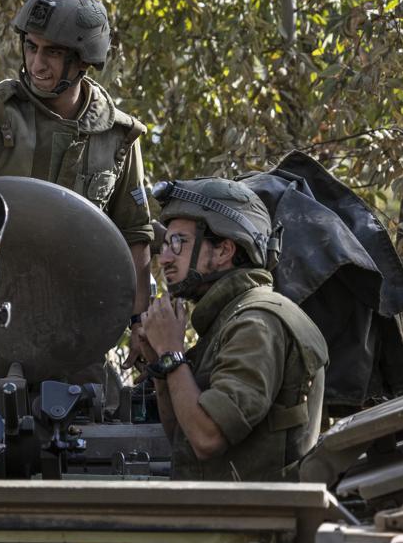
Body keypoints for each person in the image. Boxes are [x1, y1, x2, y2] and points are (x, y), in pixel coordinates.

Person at [0, 0, 153, 363]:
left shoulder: (118, 137)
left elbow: (135, 236)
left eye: (53, 52)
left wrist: (140, 323)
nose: (37, 63)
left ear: (83, 60)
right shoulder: (2, 108)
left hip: (77, 327)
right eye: (31, 47)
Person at [139, 177, 328, 482]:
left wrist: (172, 354)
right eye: (165, 245)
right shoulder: (228, 321)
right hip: (230, 513)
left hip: (258, 520)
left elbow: (207, 438)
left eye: (178, 242)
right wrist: (160, 363)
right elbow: (183, 433)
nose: (165, 258)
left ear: (224, 250)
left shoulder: (257, 323)